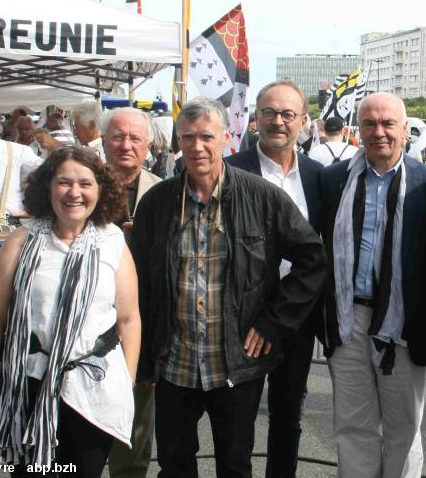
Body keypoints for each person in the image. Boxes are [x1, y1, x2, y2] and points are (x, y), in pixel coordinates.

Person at [131, 97, 326, 478]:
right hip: (175, 363)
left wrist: (275, 320)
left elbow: (312, 258)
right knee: (174, 464)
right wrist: (142, 354)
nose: (197, 146)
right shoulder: (157, 203)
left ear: (226, 138)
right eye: (187, 137)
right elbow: (138, 282)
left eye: (206, 136)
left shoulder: (263, 197)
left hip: (235, 364)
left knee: (235, 466)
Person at [0, 147, 140, 477]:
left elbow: (129, 318)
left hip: (94, 390)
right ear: (47, 187)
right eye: (64, 183)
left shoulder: (112, 241)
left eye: (85, 184)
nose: (74, 193)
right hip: (30, 386)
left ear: (100, 190)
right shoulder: (21, 241)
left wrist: (127, 381)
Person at [319, 92, 426, 478]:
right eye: (369, 123)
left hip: (400, 322)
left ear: (405, 129)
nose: (379, 132)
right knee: (353, 427)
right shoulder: (334, 180)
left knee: (403, 429)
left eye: (388, 124)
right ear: (357, 129)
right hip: (348, 317)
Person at [227, 80, 323, 478]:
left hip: (296, 317)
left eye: (287, 114)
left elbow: (320, 252)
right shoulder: (230, 171)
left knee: (288, 416)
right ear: (255, 118)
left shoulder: (321, 177)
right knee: (237, 423)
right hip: (242, 321)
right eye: (268, 112)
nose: (277, 122)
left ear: (303, 121)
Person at [102, 107, 162, 478]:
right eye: (118, 137)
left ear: (149, 145)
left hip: (140, 321)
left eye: (135, 138)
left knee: (136, 418)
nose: (126, 145)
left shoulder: (166, 191)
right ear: (104, 141)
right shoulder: (78, 185)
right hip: (85, 320)